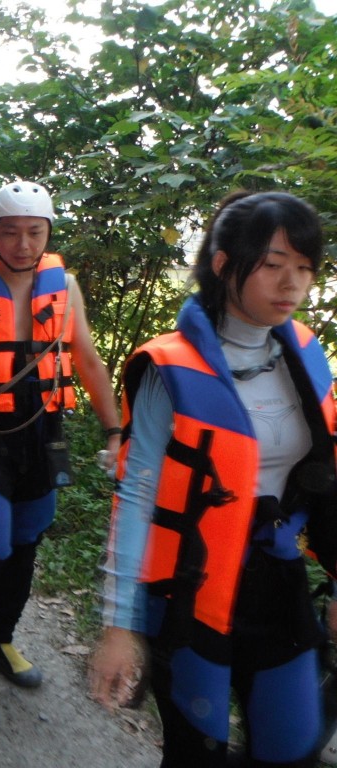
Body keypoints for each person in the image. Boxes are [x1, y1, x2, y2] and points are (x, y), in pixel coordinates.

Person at [89, 191, 337, 767]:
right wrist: (118, 626)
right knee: (195, 755)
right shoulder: (169, 367)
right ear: (224, 264)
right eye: (273, 265)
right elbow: (137, 496)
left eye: (303, 268)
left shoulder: (305, 351)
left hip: (276, 581)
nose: (291, 284)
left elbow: (327, 478)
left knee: (293, 751)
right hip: (190, 594)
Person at [0, 180, 121, 687]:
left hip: (44, 431)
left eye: (35, 232)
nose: (23, 244)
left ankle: (2, 642)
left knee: (27, 540)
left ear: (48, 233)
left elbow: (90, 361)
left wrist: (115, 430)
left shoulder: (65, 287)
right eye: (11, 233)